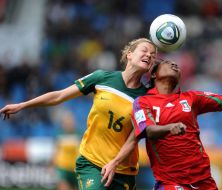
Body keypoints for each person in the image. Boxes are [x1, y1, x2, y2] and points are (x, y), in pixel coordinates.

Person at [0, 38, 157, 190]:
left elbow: (135, 138)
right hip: (92, 163)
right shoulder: (102, 78)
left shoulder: (146, 98)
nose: (149, 55)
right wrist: (23, 105)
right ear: (129, 54)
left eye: (153, 55)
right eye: (144, 50)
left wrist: (115, 162)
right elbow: (59, 95)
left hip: (124, 171)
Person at [131, 60, 222, 190]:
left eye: (176, 65)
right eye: (168, 63)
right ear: (154, 74)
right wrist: (169, 128)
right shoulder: (144, 101)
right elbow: (148, 130)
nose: (175, 65)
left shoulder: (191, 97)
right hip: (171, 181)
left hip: (203, 180)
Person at [52, 110, 80, 190]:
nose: (69, 124)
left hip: (75, 168)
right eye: (67, 122)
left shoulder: (79, 134)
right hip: (63, 167)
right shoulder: (59, 134)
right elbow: (56, 151)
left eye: (71, 122)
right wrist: (52, 165)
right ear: (63, 123)